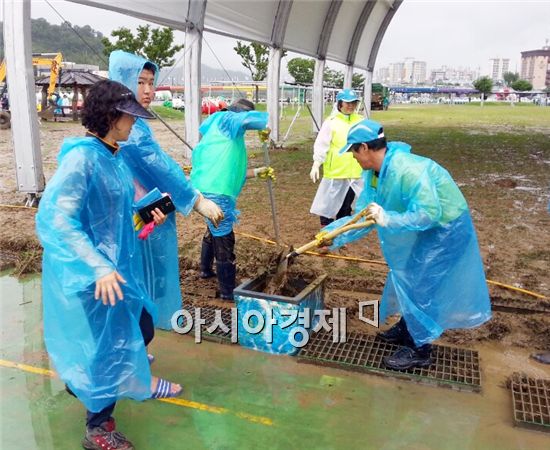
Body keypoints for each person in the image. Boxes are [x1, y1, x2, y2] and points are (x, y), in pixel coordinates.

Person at [36, 80, 183, 450]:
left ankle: (86, 381)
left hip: (116, 271)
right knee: (112, 344)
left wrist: (146, 217)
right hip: (98, 277)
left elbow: (113, 221)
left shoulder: (112, 156)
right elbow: (56, 218)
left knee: (139, 328)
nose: (133, 124)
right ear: (111, 117)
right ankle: (98, 426)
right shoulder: (83, 158)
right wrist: (96, 267)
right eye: (128, 117)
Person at [320, 118, 492, 370]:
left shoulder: (408, 170)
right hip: (429, 230)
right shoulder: (375, 173)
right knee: (408, 274)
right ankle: (407, 327)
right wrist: (332, 237)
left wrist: (387, 217)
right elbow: (363, 214)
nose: (353, 158)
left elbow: (429, 213)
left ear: (364, 148)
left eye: (353, 151)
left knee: (422, 283)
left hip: (446, 229)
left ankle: (419, 349)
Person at [109, 50, 223, 329]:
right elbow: (158, 165)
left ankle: (139, 346)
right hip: (130, 218)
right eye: (141, 82)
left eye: (151, 82)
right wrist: (195, 199)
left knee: (144, 283)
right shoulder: (128, 132)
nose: (148, 90)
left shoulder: (135, 125)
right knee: (136, 283)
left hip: (145, 213)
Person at [191, 98, 273, 300]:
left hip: (205, 187)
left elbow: (228, 168)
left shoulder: (217, 131)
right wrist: (265, 127)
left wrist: (256, 172)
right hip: (218, 193)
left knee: (213, 229)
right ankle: (228, 291)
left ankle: (205, 270)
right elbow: (248, 120)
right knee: (225, 239)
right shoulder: (226, 120)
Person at [310, 89, 364, 230]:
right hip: (336, 172)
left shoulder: (361, 121)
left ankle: (341, 230)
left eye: (353, 103)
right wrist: (316, 163)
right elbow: (322, 144)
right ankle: (326, 230)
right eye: (347, 103)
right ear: (340, 104)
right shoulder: (331, 122)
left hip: (355, 172)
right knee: (329, 202)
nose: (351, 106)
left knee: (347, 204)